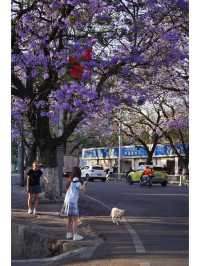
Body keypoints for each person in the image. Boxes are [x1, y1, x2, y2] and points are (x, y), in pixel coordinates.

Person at [63, 166, 87, 241]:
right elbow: (82, 189)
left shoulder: (70, 180)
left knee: (69, 219)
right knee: (75, 219)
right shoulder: (77, 180)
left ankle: (68, 234)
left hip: (67, 201)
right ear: (79, 173)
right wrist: (85, 184)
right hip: (72, 201)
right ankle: (75, 235)